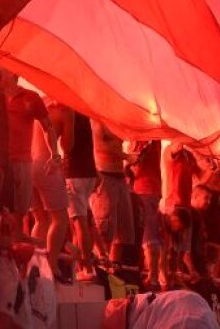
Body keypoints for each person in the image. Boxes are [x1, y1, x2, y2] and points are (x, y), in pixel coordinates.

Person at [30, 97, 73, 282]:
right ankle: (51, 264)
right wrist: (70, 120)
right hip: (48, 165)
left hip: (29, 165)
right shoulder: (63, 109)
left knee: (40, 220)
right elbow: (68, 145)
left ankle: (35, 263)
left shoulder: (40, 102)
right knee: (60, 219)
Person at [0, 72, 52, 223]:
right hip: (0, 161)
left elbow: (48, 127)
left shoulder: (31, 97)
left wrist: (54, 154)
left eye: (1, 70)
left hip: (22, 162)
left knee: (18, 214)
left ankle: (14, 242)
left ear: (12, 73)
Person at [91, 120, 135, 265]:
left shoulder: (115, 119)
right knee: (105, 229)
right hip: (104, 174)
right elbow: (101, 146)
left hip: (119, 176)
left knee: (122, 232)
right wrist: (127, 157)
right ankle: (100, 267)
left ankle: (113, 270)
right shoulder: (96, 120)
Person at [62, 108, 98, 274]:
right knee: (80, 222)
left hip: (75, 173)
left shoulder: (68, 111)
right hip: (88, 172)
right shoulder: (83, 112)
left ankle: (87, 267)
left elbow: (67, 145)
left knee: (79, 223)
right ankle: (79, 266)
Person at [129, 139, 164, 289]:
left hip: (144, 189)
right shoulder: (154, 136)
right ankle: (153, 275)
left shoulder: (142, 136)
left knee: (149, 237)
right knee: (151, 236)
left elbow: (136, 161)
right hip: (153, 189)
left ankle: (153, 276)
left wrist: (126, 159)